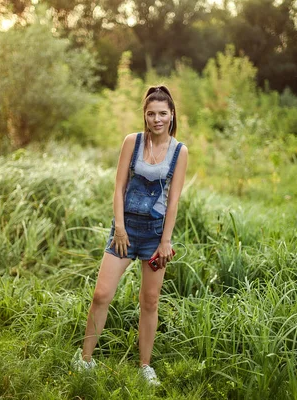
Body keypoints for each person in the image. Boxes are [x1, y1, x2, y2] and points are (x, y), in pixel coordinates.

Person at [72, 85, 189, 386]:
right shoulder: (133, 142)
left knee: (150, 301)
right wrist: (120, 227)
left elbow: (174, 200)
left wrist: (165, 241)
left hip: (155, 236)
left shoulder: (179, 151)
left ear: (172, 115)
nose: (157, 119)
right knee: (101, 295)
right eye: (151, 113)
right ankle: (84, 359)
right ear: (145, 116)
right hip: (124, 232)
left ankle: (145, 366)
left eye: (163, 113)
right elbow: (118, 187)